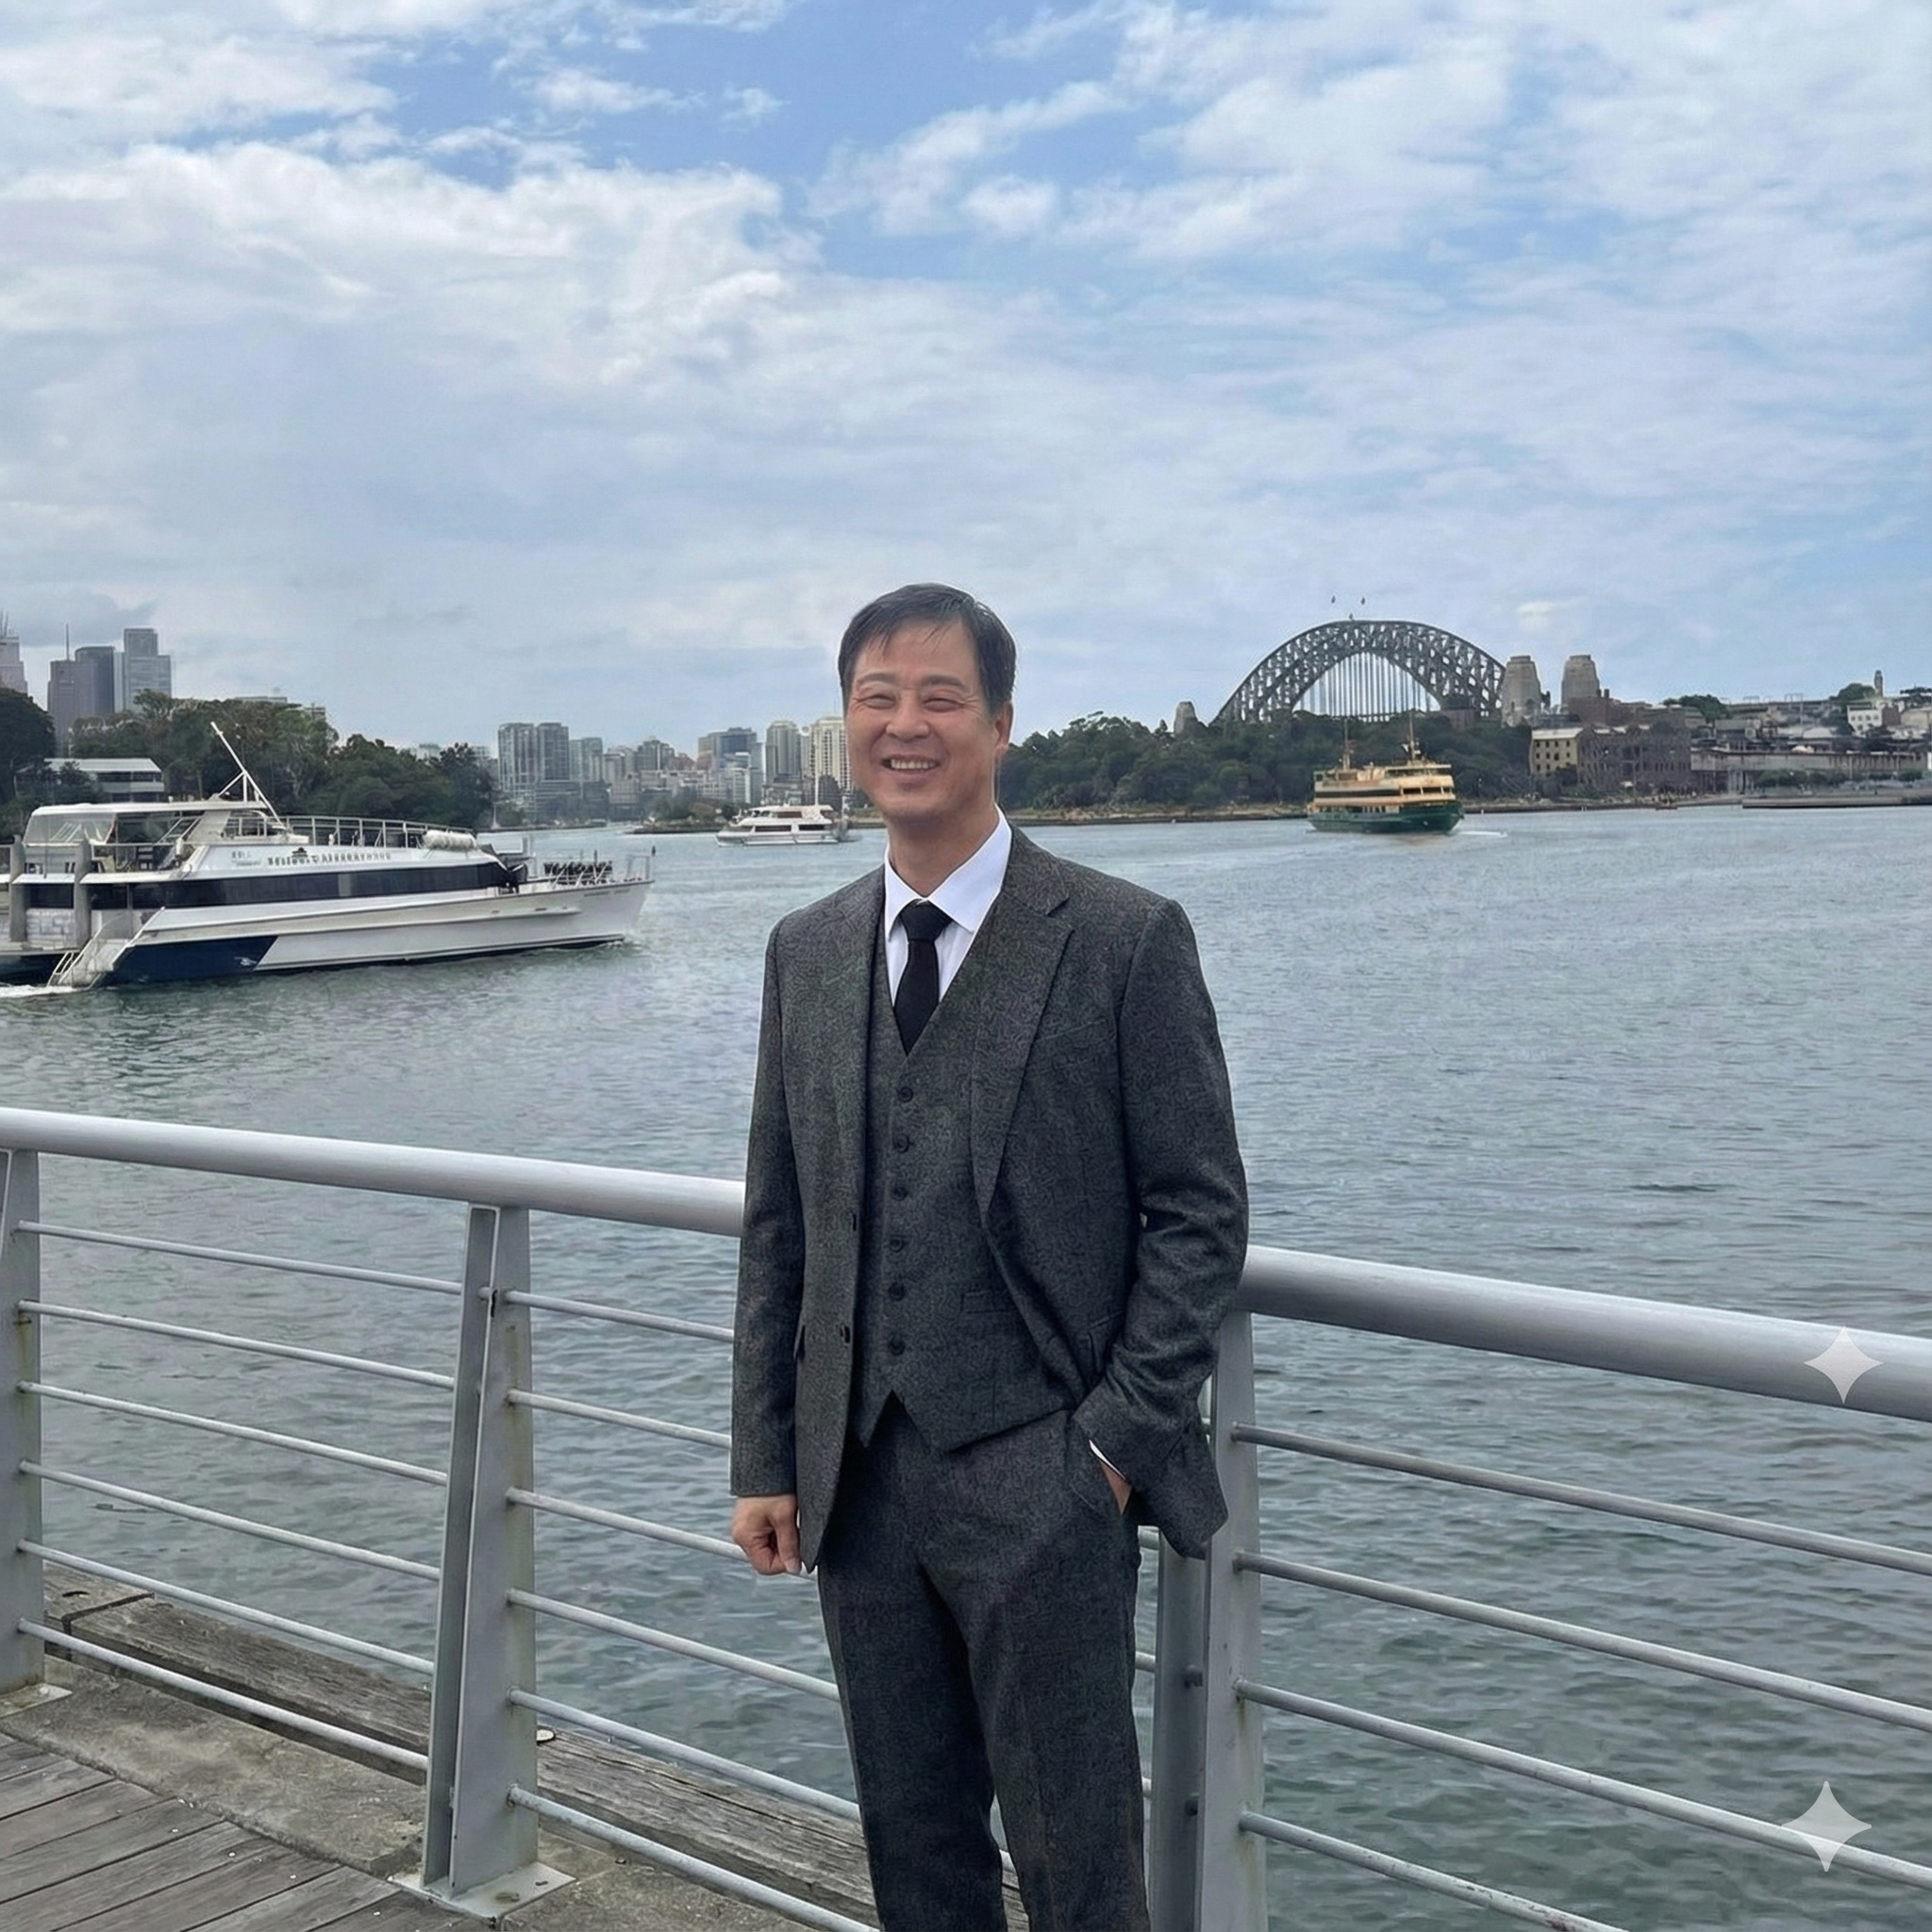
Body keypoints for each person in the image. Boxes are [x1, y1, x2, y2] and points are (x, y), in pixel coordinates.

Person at [729, 583, 1248, 1932]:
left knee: (1081, 1859)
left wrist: (1110, 1449)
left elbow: (1199, 1212)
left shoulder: (1123, 938)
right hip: (858, 1478)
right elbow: (781, 1223)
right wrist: (768, 1456)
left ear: (1002, 724)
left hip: (1047, 1472)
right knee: (913, 1845)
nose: (905, 725)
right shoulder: (807, 951)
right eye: (877, 698)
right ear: (846, 721)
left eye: (940, 698)